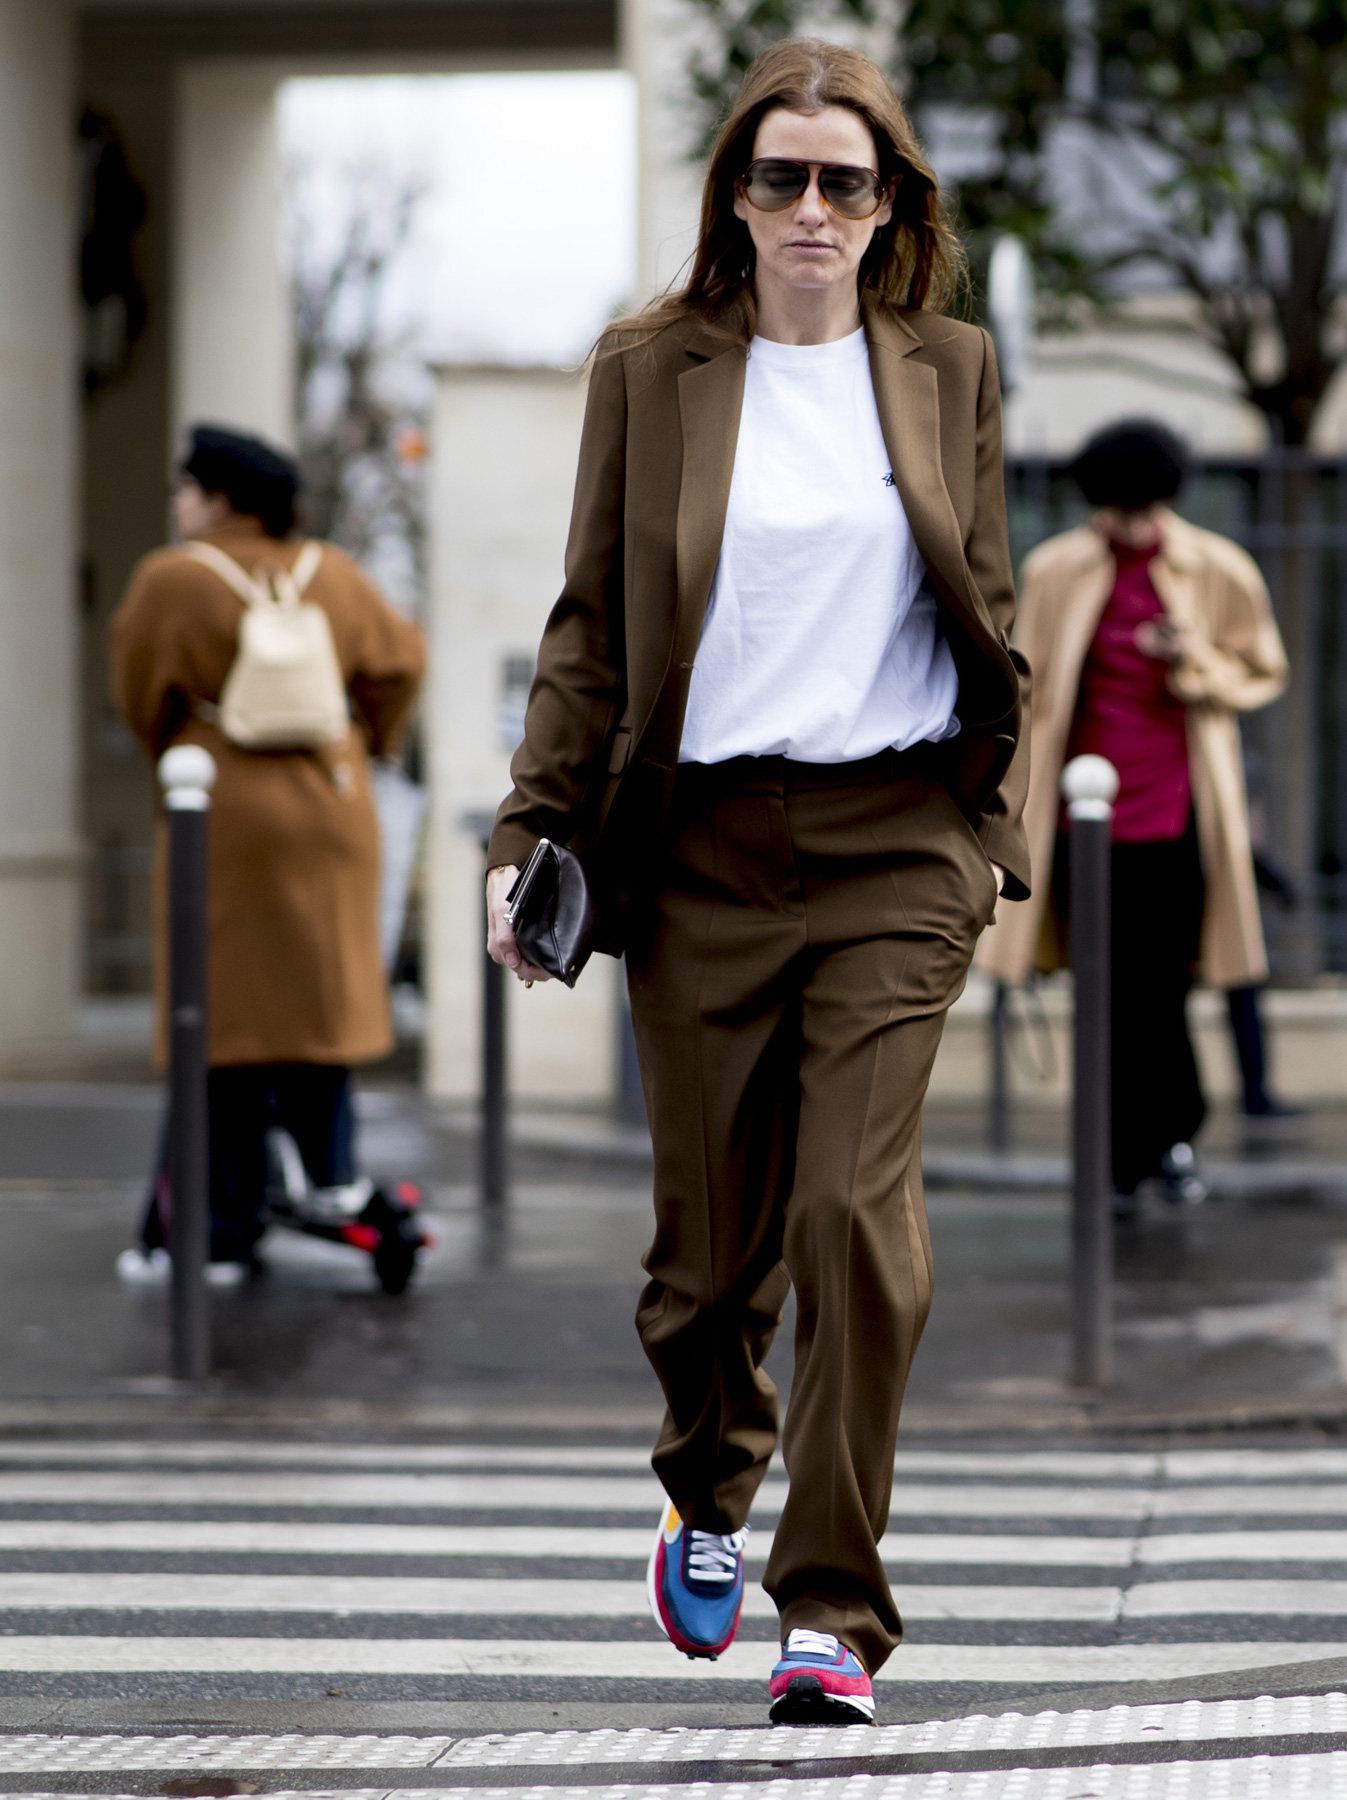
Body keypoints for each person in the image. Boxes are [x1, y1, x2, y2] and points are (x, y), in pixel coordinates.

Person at [482, 41, 1024, 1726]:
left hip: (895, 845)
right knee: (707, 1263)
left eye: (843, 183)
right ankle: (707, 1469)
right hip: (702, 854)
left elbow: (982, 594)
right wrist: (530, 832)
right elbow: (591, 622)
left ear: (889, 207)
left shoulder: (948, 368)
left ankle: (833, 1607)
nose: (810, 208)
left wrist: (989, 812)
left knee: (852, 1218)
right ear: (733, 193)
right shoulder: (653, 370)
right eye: (779, 177)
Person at [108, 424, 426, 1280]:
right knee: (315, 1013)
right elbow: (401, 665)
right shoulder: (335, 573)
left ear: (217, 497)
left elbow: (139, 687)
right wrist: (365, 743)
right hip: (333, 804)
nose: (178, 504)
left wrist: (185, 746)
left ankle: (210, 1229)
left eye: (186, 489)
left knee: (218, 1023)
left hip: (225, 816)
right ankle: (330, 1178)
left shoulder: (175, 578)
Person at [975, 420, 1287, 1216]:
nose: (1128, 528)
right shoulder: (1056, 570)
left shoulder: (1218, 569)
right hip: (1083, 819)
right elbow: (1025, 684)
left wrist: (1193, 658)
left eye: (1142, 511)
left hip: (1181, 815)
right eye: (1115, 512)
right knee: (1102, 989)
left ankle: (1171, 1138)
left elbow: (1262, 670)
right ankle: (1116, 1155)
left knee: (1166, 989)